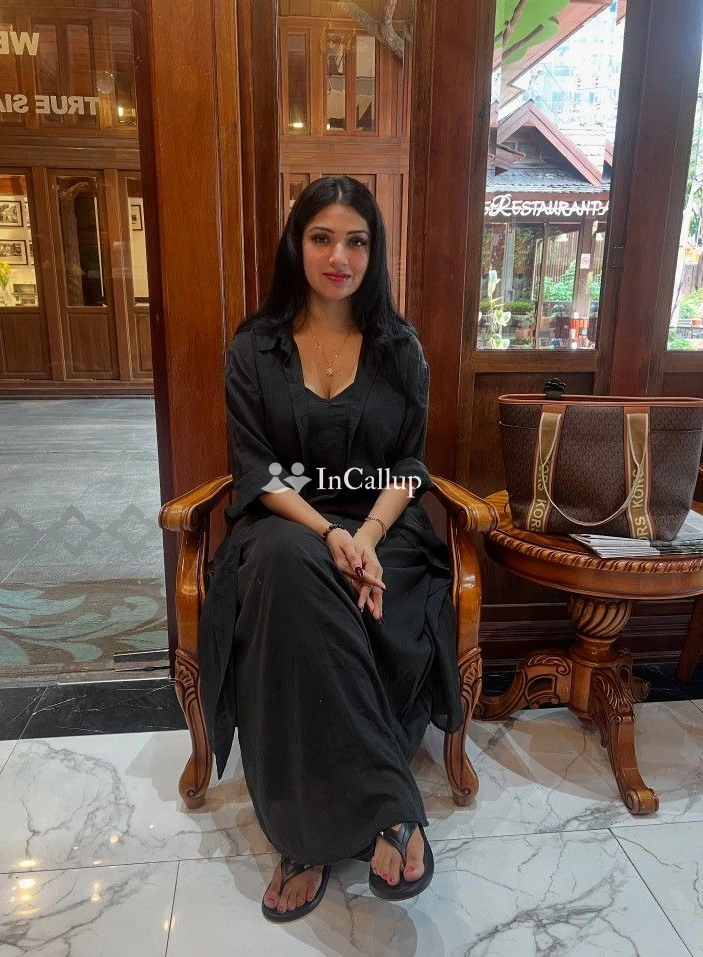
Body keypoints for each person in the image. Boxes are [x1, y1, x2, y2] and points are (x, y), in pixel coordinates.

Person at [198, 175, 463, 923]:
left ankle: (307, 833)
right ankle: (387, 806)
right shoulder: (255, 348)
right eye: (322, 238)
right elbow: (257, 472)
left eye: (356, 241)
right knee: (287, 567)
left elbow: (407, 466)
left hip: (383, 530)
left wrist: (366, 536)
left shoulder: (399, 347)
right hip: (286, 524)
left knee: (347, 584)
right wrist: (329, 534)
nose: (339, 256)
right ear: (297, 244)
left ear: (374, 254)